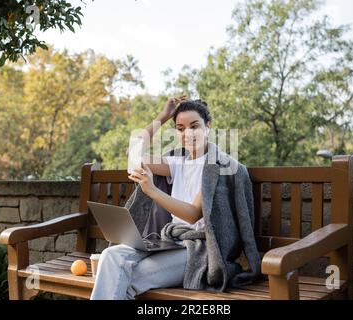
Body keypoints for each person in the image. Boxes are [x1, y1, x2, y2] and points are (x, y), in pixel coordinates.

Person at [90, 96, 260, 300]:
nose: (187, 133)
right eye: (180, 128)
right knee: (111, 256)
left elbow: (193, 214)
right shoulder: (176, 163)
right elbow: (133, 154)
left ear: (208, 126)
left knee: (123, 278)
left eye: (194, 126)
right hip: (168, 242)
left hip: (199, 250)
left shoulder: (219, 167)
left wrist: (152, 190)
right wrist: (163, 116)